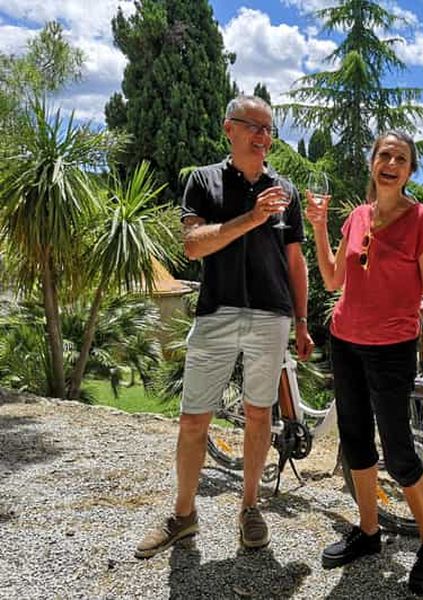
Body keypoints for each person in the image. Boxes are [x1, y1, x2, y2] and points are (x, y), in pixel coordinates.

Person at [135, 95, 314, 559]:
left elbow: (296, 262)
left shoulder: (286, 191)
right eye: (253, 126)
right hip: (217, 313)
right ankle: (183, 515)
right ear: (228, 129)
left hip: (272, 317)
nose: (262, 136)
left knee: (260, 415)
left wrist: (301, 320)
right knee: (195, 418)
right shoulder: (203, 182)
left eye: (268, 128)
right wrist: (251, 218)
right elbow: (194, 246)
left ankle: (250, 507)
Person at [305, 130, 423, 595]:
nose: (391, 163)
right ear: (373, 162)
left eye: (401, 158)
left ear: (409, 171)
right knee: (354, 440)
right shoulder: (357, 217)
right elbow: (331, 280)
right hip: (345, 341)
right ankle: (369, 533)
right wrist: (320, 226)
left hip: (392, 348)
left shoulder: (422, 220)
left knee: (399, 449)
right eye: (384, 155)